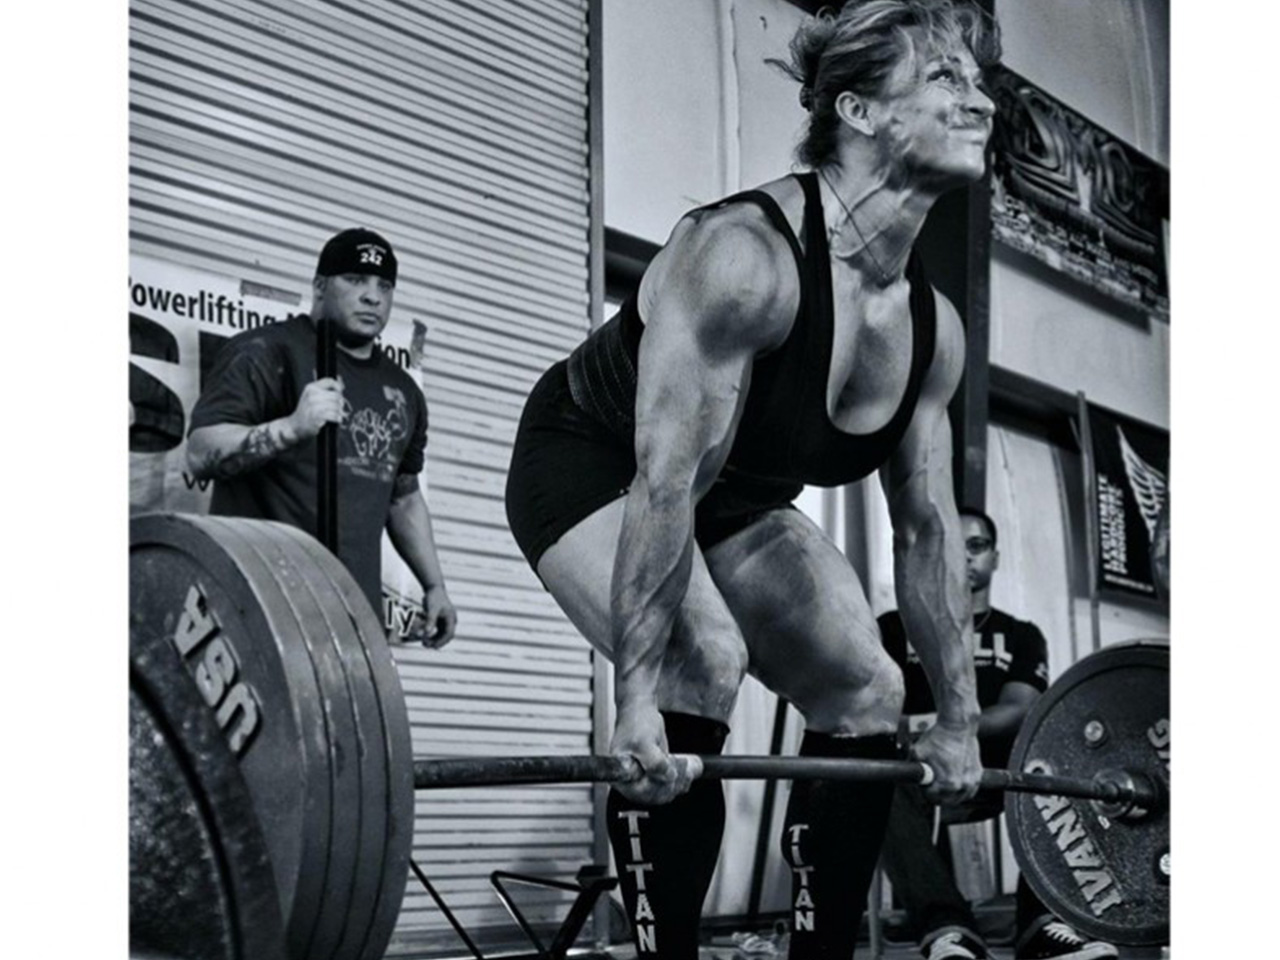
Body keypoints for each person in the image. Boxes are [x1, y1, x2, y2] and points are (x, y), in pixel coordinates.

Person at [505, 3, 999, 958]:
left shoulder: (932, 329)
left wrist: (960, 721)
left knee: (869, 689)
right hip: (595, 460)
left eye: (979, 83)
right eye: (945, 78)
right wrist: (636, 701)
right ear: (858, 111)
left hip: (733, 497)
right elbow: (664, 483)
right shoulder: (745, 258)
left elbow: (929, 529)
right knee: (704, 654)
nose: (979, 102)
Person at [187, 227, 457, 647]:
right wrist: (290, 428)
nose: (373, 296)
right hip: (255, 609)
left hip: (352, 618)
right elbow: (200, 453)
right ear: (319, 287)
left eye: (384, 286)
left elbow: (403, 498)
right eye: (355, 280)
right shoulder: (264, 352)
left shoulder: (403, 390)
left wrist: (434, 585)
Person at [878, 508, 1118, 960]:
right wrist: (930, 738)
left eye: (977, 546)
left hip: (999, 772)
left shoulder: (1021, 634)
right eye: (955, 546)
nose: (966, 557)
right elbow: (876, 708)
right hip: (917, 771)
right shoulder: (895, 626)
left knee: (1058, 758)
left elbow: (1019, 708)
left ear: (995, 557)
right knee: (880, 775)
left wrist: (944, 727)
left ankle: (1043, 927)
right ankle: (949, 932)